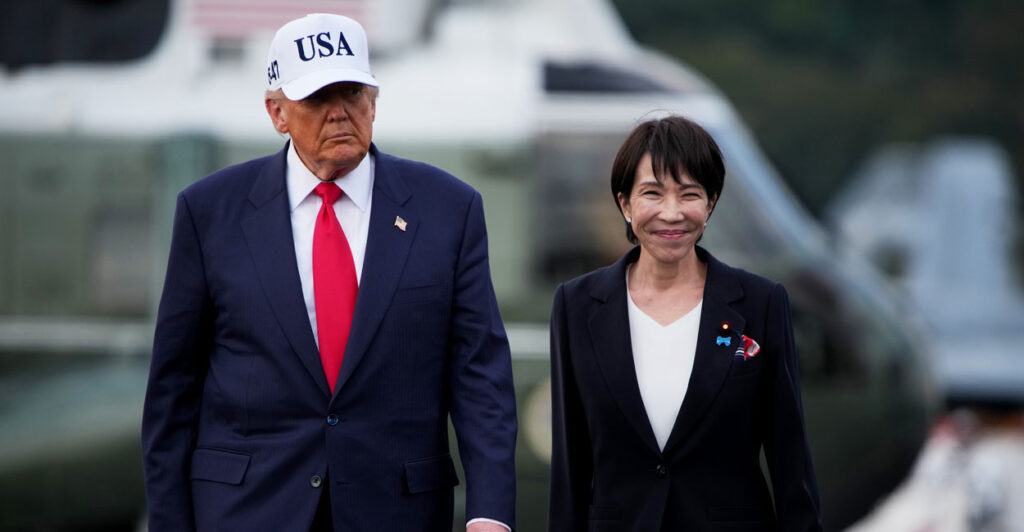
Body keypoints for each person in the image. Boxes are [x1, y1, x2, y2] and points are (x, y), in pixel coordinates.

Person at [141, 13, 516, 532]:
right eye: (318, 98)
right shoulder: (210, 213)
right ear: (277, 112)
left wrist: (490, 515)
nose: (339, 113)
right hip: (246, 512)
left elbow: (481, 379)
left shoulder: (449, 209)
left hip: (396, 511)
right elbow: (173, 391)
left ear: (375, 101)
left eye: (353, 93)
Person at [548, 116, 822, 531]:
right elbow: (570, 464)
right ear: (625, 203)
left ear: (710, 203)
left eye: (689, 194)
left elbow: (790, 459)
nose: (671, 213)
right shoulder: (576, 306)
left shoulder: (761, 304)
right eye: (652, 194)